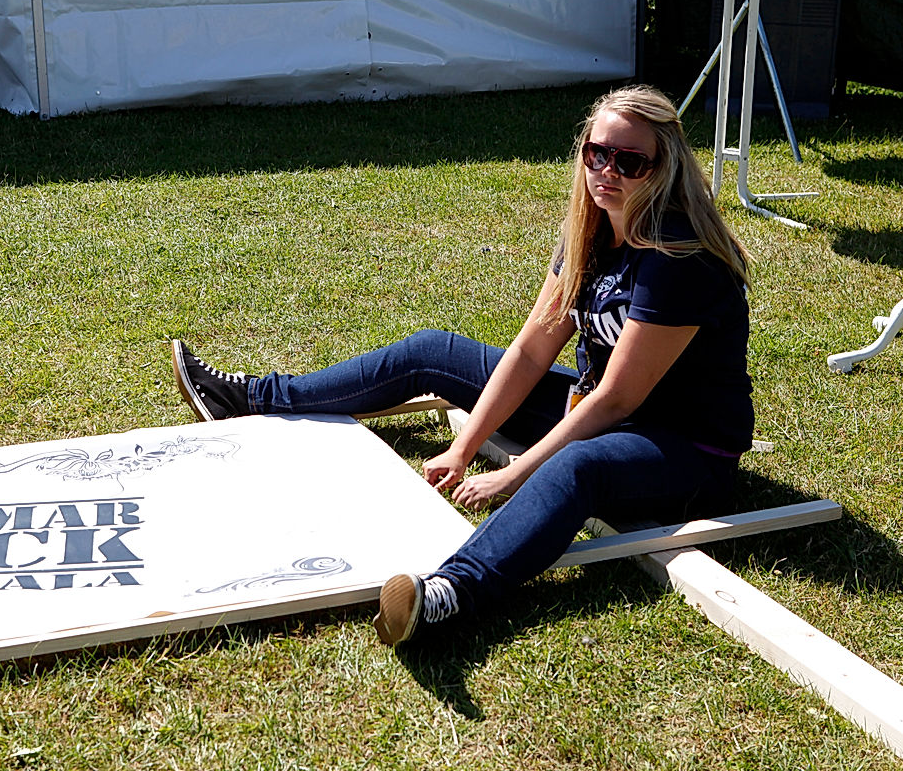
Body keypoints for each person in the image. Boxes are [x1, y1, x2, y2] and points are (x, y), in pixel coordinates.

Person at [170, 85, 754, 647]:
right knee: (433, 351)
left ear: (664, 168)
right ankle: (253, 398)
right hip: (600, 409)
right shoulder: (592, 233)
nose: (607, 171)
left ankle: (449, 592)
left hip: (683, 449)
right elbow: (530, 351)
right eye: (596, 153)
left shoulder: (679, 258)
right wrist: (463, 447)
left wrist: (515, 471)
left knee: (577, 465)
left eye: (630, 161)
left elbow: (618, 401)